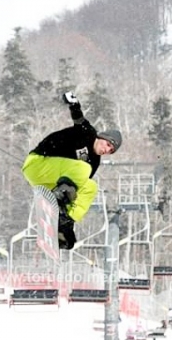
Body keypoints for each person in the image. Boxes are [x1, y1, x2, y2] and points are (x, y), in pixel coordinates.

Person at [22, 92, 122, 250]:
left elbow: (80, 187)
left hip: (51, 180)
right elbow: (78, 119)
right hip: (38, 163)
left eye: (111, 151)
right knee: (83, 168)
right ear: (102, 137)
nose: (106, 150)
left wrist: (66, 217)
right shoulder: (88, 133)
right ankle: (59, 198)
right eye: (108, 144)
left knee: (91, 187)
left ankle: (65, 222)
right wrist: (74, 103)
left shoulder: (94, 162)